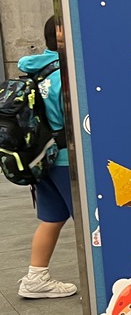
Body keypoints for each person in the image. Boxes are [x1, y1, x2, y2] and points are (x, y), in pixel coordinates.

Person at [18, 16, 77, 299]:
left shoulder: (37, 69)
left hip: (42, 159)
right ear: (63, 36)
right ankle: (107, 281)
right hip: (67, 161)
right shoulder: (65, 74)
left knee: (52, 218)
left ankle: (35, 278)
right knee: (92, 223)